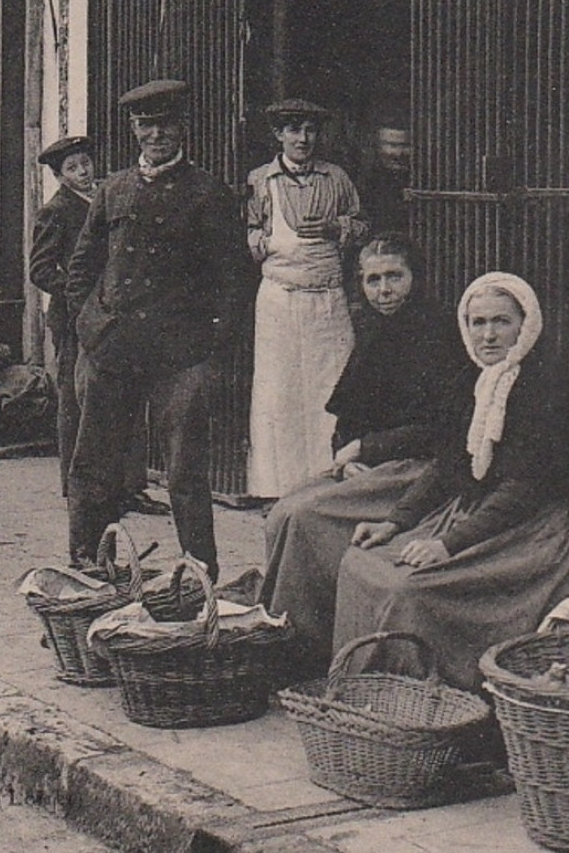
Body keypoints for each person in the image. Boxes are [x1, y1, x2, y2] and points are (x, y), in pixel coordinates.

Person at [328, 272, 569, 689]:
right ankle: (375, 698)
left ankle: (431, 697)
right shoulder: (472, 380)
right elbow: (449, 464)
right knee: (363, 565)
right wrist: (395, 522)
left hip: (549, 531)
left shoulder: (546, 385)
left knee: (408, 590)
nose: (488, 335)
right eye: (477, 323)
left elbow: (523, 491)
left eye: (501, 322)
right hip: (492, 512)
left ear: (526, 324)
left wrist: (445, 544)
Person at [64, 78, 255, 580]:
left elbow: (234, 281)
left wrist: (210, 349)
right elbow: (82, 268)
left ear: (182, 128)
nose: (157, 135)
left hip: (180, 356)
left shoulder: (208, 194)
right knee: (94, 462)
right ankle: (89, 562)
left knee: (185, 470)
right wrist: (92, 328)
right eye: (147, 125)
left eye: (166, 125)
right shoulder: (114, 189)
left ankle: (199, 570)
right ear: (134, 130)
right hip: (113, 349)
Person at [259, 233, 461, 668]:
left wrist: (368, 448)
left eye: (394, 277)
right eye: (372, 280)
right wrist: (351, 456)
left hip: (419, 470)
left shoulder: (441, 333)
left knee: (305, 517)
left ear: (416, 278)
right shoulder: (373, 331)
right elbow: (347, 414)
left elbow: (444, 427)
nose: (383, 291)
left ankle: (299, 651)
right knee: (281, 511)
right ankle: (295, 631)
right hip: (373, 467)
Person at [29, 135, 168, 516]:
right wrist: (82, 293)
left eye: (85, 163)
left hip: (119, 313)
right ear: (59, 176)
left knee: (129, 395)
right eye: (72, 168)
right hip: (78, 317)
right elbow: (39, 269)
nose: (83, 172)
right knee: (79, 400)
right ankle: (80, 487)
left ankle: (131, 485)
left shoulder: (113, 197)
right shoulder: (56, 211)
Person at [244, 98, 368, 500]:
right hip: (279, 299)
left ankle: (328, 480)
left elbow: (363, 225)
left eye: (310, 130)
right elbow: (249, 228)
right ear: (279, 135)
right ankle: (275, 489)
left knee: (329, 386)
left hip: (326, 299)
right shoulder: (261, 180)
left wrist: (338, 226)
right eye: (294, 130)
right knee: (278, 391)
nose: (303, 138)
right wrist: (258, 241)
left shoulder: (336, 179)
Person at [354, 120, 412, 237]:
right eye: (392, 145)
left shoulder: (425, 179)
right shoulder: (365, 182)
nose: (398, 153)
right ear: (378, 147)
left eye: (405, 146)